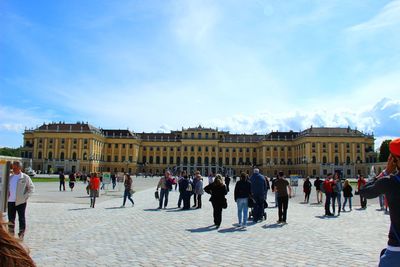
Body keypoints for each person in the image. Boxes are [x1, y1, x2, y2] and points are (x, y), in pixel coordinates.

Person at [360, 138, 400, 266]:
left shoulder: (390, 182)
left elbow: (364, 191)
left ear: (394, 160)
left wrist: (386, 171)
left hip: (396, 251)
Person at [7, 161, 35, 241]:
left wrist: (25, 197)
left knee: (21, 218)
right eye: (13, 167)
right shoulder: (10, 177)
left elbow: (31, 188)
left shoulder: (25, 177)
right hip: (10, 201)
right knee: (11, 219)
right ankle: (11, 234)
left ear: (20, 168)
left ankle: (21, 234)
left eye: (15, 167)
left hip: (21, 201)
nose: (13, 169)